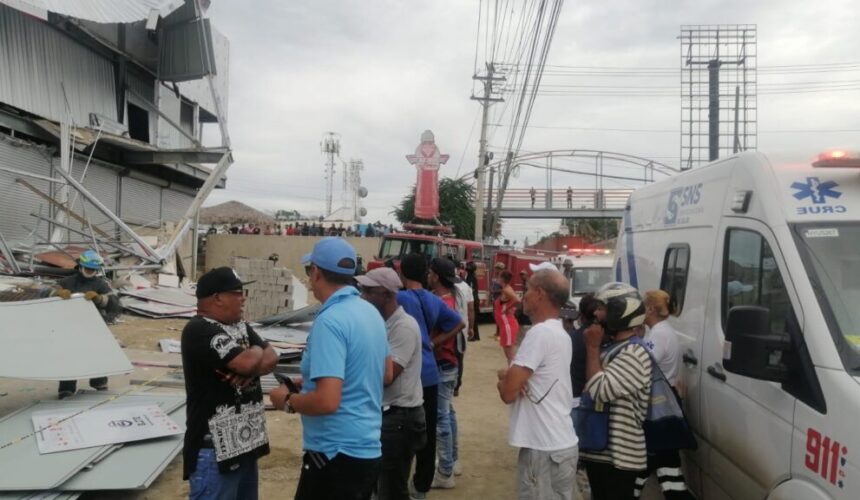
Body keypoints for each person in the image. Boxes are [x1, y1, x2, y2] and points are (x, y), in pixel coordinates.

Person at [269, 238, 388, 500]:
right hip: (366, 448)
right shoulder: (370, 314)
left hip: (334, 454)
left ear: (316, 272)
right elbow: (385, 372)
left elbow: (327, 401)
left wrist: (287, 400)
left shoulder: (331, 321)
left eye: (309, 272)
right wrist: (312, 380)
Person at [180, 266, 279, 500]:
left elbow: (272, 357)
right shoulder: (200, 329)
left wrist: (250, 362)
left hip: (244, 445)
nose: (243, 298)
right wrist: (254, 352)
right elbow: (246, 364)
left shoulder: (240, 326)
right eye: (237, 292)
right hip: (214, 452)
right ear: (217, 298)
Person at [497, 269, 580, 500]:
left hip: (544, 449)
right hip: (559, 444)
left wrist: (504, 379)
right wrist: (508, 375)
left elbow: (508, 393)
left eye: (527, 291)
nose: (523, 296)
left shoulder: (540, 334)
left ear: (540, 294)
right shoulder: (560, 333)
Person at [396, 253, 464, 500]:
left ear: (402, 273)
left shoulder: (398, 298)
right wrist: (433, 343)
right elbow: (459, 323)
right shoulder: (433, 300)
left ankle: (398, 485)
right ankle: (421, 488)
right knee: (428, 432)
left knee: (400, 431)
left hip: (406, 373)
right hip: (430, 373)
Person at [356, 268, 425, 500]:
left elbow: (387, 376)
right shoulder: (382, 324)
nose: (362, 296)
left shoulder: (403, 327)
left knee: (391, 490)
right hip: (389, 415)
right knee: (379, 485)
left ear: (386, 295)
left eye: (368, 291)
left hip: (400, 419)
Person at [580, 282, 652, 500]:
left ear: (621, 313)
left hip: (619, 458)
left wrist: (592, 348)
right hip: (603, 453)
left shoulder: (633, 353)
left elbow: (600, 390)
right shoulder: (614, 348)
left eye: (602, 309)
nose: (596, 313)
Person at [633, 290, 694, 500]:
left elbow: (644, 363)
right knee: (663, 457)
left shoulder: (659, 333)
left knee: (657, 455)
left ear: (650, 308)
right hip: (665, 401)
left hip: (659, 404)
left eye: (643, 305)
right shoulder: (662, 330)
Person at [54, 250, 122, 398]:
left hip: (94, 326)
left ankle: (99, 383)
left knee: (98, 354)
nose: (90, 271)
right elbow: (45, 293)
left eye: (93, 269)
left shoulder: (101, 284)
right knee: (70, 356)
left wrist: (99, 299)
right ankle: (66, 389)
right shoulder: (66, 282)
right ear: (80, 266)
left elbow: (115, 305)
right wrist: (55, 294)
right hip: (70, 326)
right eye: (88, 268)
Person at [427, 258, 466, 489]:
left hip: (443, 364)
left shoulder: (444, 302)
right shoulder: (449, 297)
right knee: (448, 414)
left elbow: (457, 325)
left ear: (436, 276)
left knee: (441, 419)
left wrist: (434, 343)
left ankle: (444, 472)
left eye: (431, 272)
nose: (428, 275)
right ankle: (451, 461)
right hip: (448, 365)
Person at [450, 261, 474, 396]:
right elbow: (471, 309)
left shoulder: (446, 286)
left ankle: (449, 384)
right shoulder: (466, 287)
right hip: (462, 330)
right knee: (459, 358)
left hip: (448, 329)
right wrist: (471, 328)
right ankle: (456, 386)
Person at [494, 270, 520, 365]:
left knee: (510, 355)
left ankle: (513, 375)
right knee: (508, 354)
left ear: (502, 278)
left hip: (507, 325)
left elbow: (517, 299)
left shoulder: (506, 290)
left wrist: (506, 308)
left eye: (499, 276)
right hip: (505, 325)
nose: (497, 278)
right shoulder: (506, 289)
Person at [464, 261, 481, 341]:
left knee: (472, 319)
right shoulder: (472, 276)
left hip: (473, 299)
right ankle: (475, 336)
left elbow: (470, 289)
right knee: (474, 319)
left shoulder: (471, 277)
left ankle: (473, 336)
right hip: (474, 299)